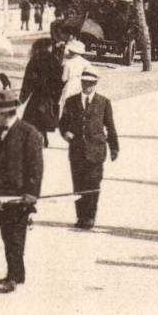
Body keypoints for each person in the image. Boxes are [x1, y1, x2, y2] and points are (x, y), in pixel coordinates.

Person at [0, 88, 44, 293]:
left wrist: (32, 193)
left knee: (16, 236)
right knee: (7, 235)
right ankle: (17, 273)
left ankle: (13, 277)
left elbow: (36, 167)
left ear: (7, 113)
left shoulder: (29, 133)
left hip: (19, 195)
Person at [58, 68, 118, 230]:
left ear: (95, 84)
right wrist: (66, 133)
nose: (87, 86)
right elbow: (62, 123)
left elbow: (110, 126)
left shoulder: (104, 103)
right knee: (78, 185)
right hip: (77, 151)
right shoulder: (71, 102)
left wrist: (114, 148)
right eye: (84, 83)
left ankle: (90, 216)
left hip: (96, 150)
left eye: (91, 84)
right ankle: (80, 216)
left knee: (93, 184)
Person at [18, 33, 66, 139]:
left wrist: (23, 96)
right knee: (44, 118)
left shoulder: (34, 59)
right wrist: (56, 96)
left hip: (37, 95)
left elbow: (28, 80)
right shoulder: (55, 60)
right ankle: (42, 136)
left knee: (32, 119)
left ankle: (37, 138)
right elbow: (60, 81)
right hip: (49, 96)